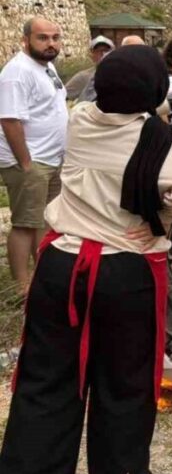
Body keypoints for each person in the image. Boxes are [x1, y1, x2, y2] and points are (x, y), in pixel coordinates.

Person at [0, 45, 172, 474]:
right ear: (155, 89)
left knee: (45, 383)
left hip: (60, 265)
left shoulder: (80, 120)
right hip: (124, 270)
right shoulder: (163, 142)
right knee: (125, 387)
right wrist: (159, 218)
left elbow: (123, 104)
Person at [0, 18, 69, 292]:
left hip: (50, 159)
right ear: (25, 40)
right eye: (43, 38)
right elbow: (9, 120)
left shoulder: (47, 66)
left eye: (55, 37)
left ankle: (42, 274)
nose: (51, 43)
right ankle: (20, 285)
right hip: (30, 161)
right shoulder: (17, 72)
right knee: (25, 223)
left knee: (46, 219)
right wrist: (26, 163)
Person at [65, 35, 113, 100]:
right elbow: (62, 96)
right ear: (92, 55)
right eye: (98, 51)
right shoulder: (83, 77)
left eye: (106, 50)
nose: (102, 54)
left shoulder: (121, 75)